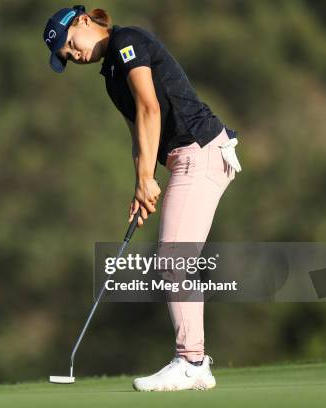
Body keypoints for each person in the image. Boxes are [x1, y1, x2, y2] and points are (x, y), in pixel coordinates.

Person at [42, 5, 242, 391]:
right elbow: (139, 132)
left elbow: (151, 108)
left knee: (174, 258)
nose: (74, 55)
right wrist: (142, 182)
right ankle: (194, 361)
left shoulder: (126, 41)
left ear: (84, 22)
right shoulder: (111, 76)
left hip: (199, 152)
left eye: (70, 45)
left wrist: (147, 179)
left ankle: (192, 361)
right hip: (186, 158)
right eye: (66, 57)